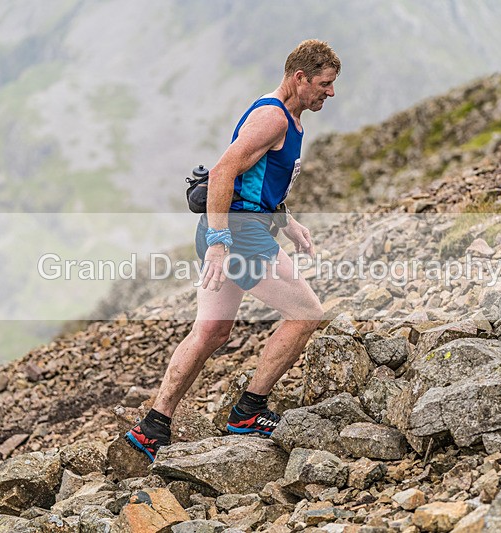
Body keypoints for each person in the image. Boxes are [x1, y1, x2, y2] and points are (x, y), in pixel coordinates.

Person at [125, 39, 340, 462]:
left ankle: (152, 427)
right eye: (324, 84)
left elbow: (256, 183)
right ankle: (248, 412)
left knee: (211, 332)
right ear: (299, 78)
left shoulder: (286, 114)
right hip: (238, 235)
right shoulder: (272, 119)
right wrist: (222, 244)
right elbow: (224, 170)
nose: (330, 93)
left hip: (235, 228)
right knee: (306, 314)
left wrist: (287, 221)